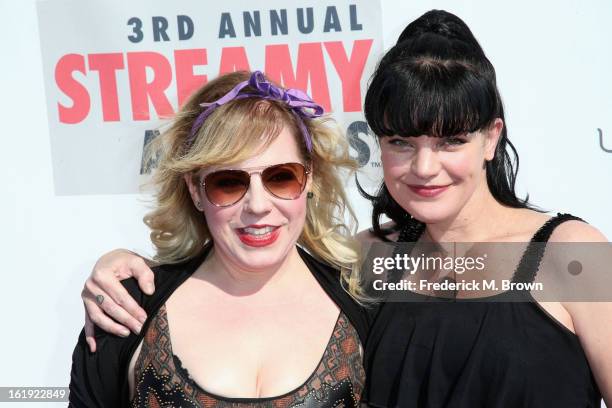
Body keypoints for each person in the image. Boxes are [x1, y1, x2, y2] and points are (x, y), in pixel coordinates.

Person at [78, 10, 612, 407]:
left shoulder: (573, 257)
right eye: (402, 141)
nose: (425, 167)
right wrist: (119, 266)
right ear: (377, 145)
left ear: (492, 138)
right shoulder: (372, 263)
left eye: (450, 141)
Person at [69, 70, 371, 407]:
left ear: (309, 178)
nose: (257, 205)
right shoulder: (125, 308)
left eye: (282, 177)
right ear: (194, 189)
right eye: (228, 182)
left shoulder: (364, 300)